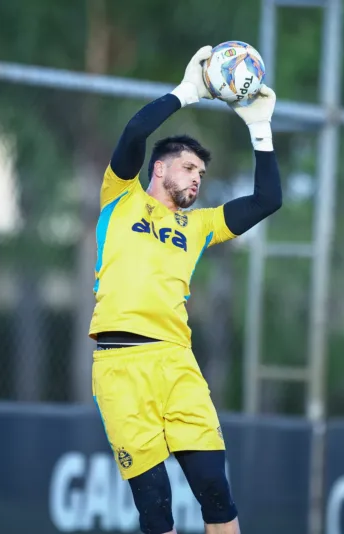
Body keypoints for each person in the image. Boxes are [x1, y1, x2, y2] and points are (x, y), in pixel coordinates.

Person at [88, 45, 282, 534]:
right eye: (189, 168)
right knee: (156, 508)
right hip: (120, 366)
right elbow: (135, 131)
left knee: (216, 491)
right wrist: (188, 92)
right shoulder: (121, 198)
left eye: (202, 172)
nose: (198, 177)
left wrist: (260, 128)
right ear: (160, 169)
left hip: (177, 365)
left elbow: (267, 199)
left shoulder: (199, 226)